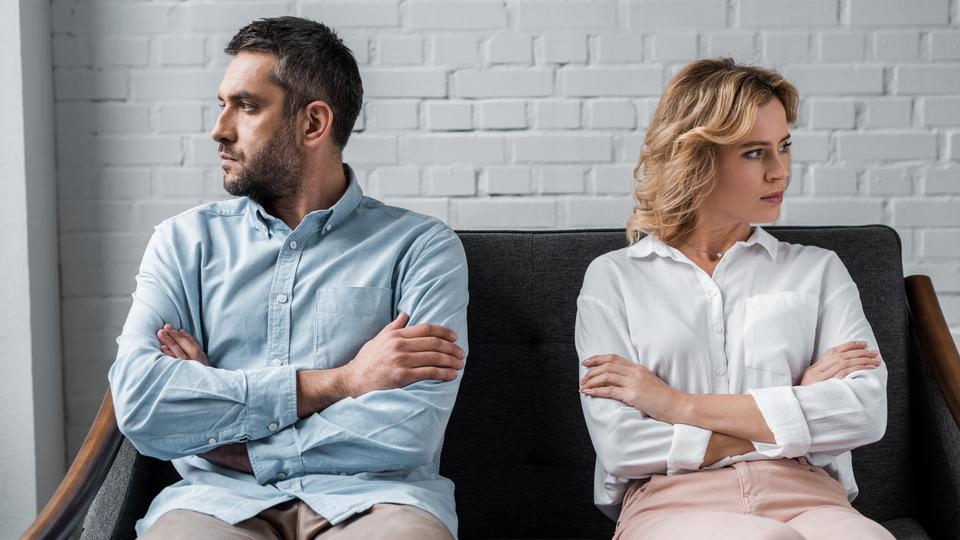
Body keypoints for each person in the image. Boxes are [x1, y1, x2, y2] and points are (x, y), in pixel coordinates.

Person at [108, 16, 467, 540]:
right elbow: (141, 402)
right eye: (222, 104)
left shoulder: (421, 248)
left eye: (247, 106)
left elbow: (409, 428)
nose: (219, 129)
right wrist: (341, 382)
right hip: (214, 504)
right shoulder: (183, 243)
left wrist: (220, 432)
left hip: (375, 501)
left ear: (313, 123)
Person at [576, 58, 893, 539]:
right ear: (697, 157)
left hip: (809, 494)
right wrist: (799, 407)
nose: (780, 171)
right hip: (672, 502)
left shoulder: (818, 269)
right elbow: (624, 446)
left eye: (784, 147)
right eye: (754, 153)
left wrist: (674, 404)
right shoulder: (615, 278)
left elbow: (864, 412)